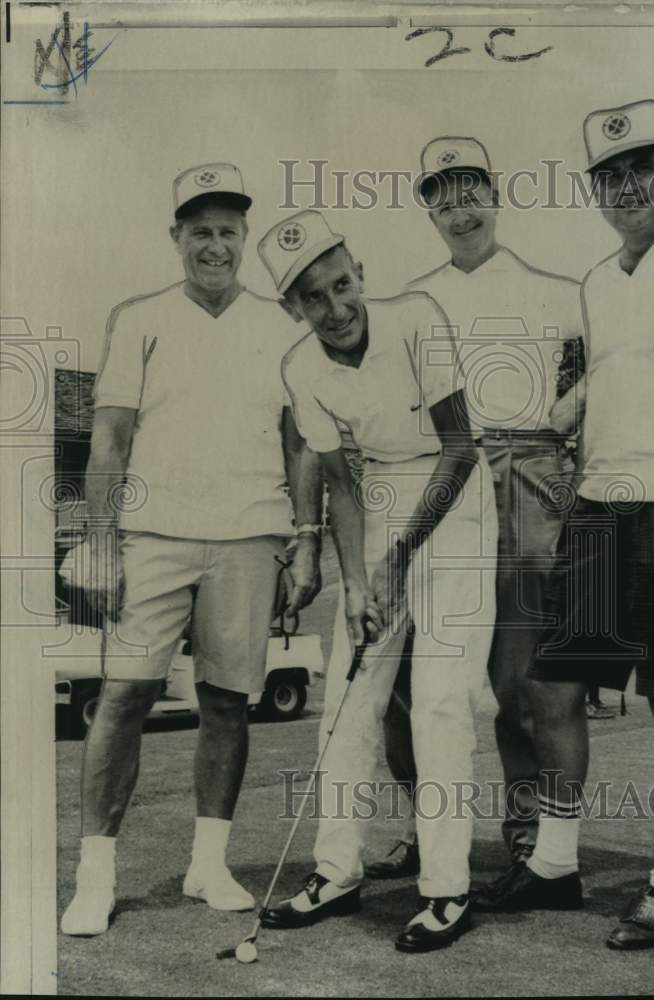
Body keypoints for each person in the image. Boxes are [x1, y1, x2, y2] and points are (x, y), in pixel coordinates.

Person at [473, 99, 654, 951]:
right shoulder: (601, 281)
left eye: (642, 170)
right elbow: (609, 377)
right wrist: (546, 421)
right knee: (552, 689)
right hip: (598, 509)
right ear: (595, 193)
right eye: (609, 177)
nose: (627, 187)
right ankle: (557, 866)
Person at [60, 164, 322, 937]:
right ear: (176, 238)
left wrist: (305, 544)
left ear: (245, 238)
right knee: (124, 699)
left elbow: (302, 444)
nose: (216, 245)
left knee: (227, 702)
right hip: (154, 536)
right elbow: (107, 437)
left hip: (249, 535)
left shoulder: (284, 325)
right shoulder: (138, 318)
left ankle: (209, 865)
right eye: (200, 231)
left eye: (228, 232)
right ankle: (95, 875)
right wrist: (100, 542)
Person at [255, 210, 498, 953]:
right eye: (314, 300)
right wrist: (358, 582)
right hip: (380, 497)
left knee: (440, 703)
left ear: (357, 268)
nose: (335, 309)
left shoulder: (417, 317)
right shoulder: (301, 368)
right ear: (293, 309)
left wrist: (398, 559)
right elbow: (340, 484)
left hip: (457, 499)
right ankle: (336, 872)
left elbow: (459, 448)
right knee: (350, 701)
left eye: (341, 284)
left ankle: (448, 890)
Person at [365, 137, 585, 880]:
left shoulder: (555, 286)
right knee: (412, 674)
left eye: (470, 192)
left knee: (520, 677)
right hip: (442, 474)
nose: (459, 210)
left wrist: (561, 419)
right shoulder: (410, 301)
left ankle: (528, 836)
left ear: (496, 195)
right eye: (441, 196)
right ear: (427, 208)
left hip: (527, 468)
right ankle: (434, 829)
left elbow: (619, 358)